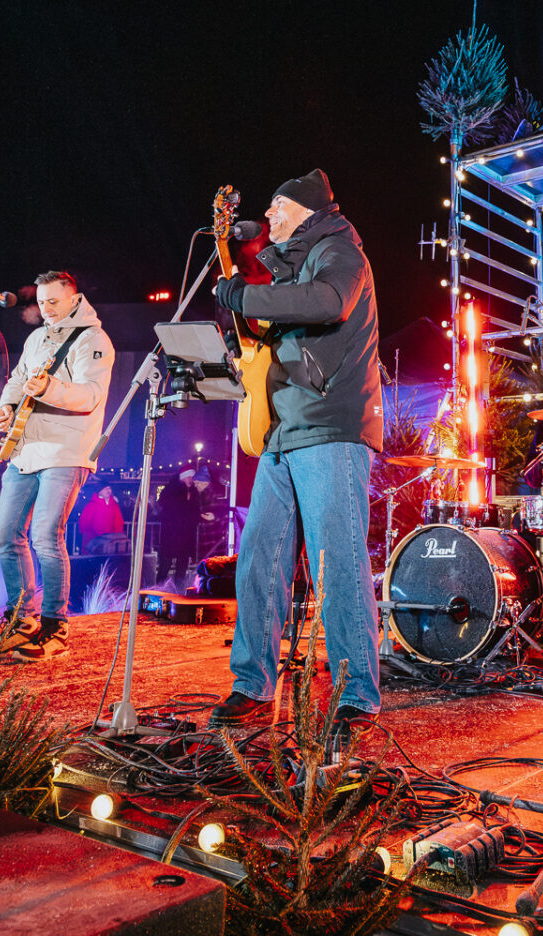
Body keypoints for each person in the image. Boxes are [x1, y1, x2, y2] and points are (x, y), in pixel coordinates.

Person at [208, 169, 384, 733]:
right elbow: (281, 332)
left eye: (277, 206)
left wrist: (243, 294)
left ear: (305, 209)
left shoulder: (340, 250)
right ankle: (252, 683)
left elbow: (328, 301)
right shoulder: (293, 264)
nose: (269, 216)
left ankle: (358, 693)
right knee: (259, 558)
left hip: (330, 427)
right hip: (284, 431)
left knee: (338, 563)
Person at [0, 271, 116, 659]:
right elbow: (18, 379)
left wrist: (49, 387)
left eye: (53, 302)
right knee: (5, 533)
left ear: (74, 299)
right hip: (26, 448)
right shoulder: (36, 339)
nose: (46, 309)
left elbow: (91, 395)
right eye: (41, 302)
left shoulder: (93, 340)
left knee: (46, 535)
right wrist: (5, 407)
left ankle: (54, 625)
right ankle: (21, 619)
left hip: (66, 450)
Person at [155, 468, 205, 585]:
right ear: (182, 477)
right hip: (171, 534)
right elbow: (165, 505)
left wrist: (197, 517)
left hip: (185, 536)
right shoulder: (171, 490)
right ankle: (159, 589)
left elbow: (195, 510)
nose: (191, 479)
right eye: (189, 476)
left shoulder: (193, 492)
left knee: (182, 567)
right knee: (165, 565)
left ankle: (178, 590)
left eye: (192, 477)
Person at [74, 481, 126, 552]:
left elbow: (119, 522)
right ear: (100, 492)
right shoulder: (91, 505)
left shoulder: (114, 505)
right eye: (105, 488)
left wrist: (117, 537)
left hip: (111, 542)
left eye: (109, 488)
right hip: (94, 542)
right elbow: (84, 523)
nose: (108, 490)